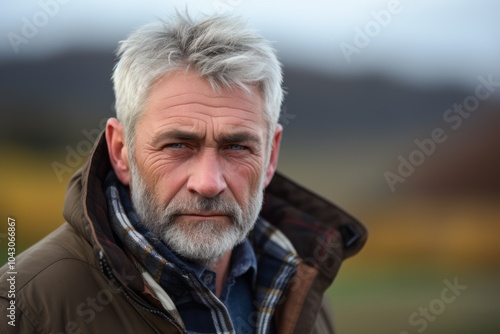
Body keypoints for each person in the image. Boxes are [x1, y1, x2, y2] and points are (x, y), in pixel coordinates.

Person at [0, 12, 367, 334]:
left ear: (271, 156)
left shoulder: (300, 291)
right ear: (120, 151)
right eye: (178, 145)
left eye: (237, 147)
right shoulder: (25, 307)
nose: (208, 183)